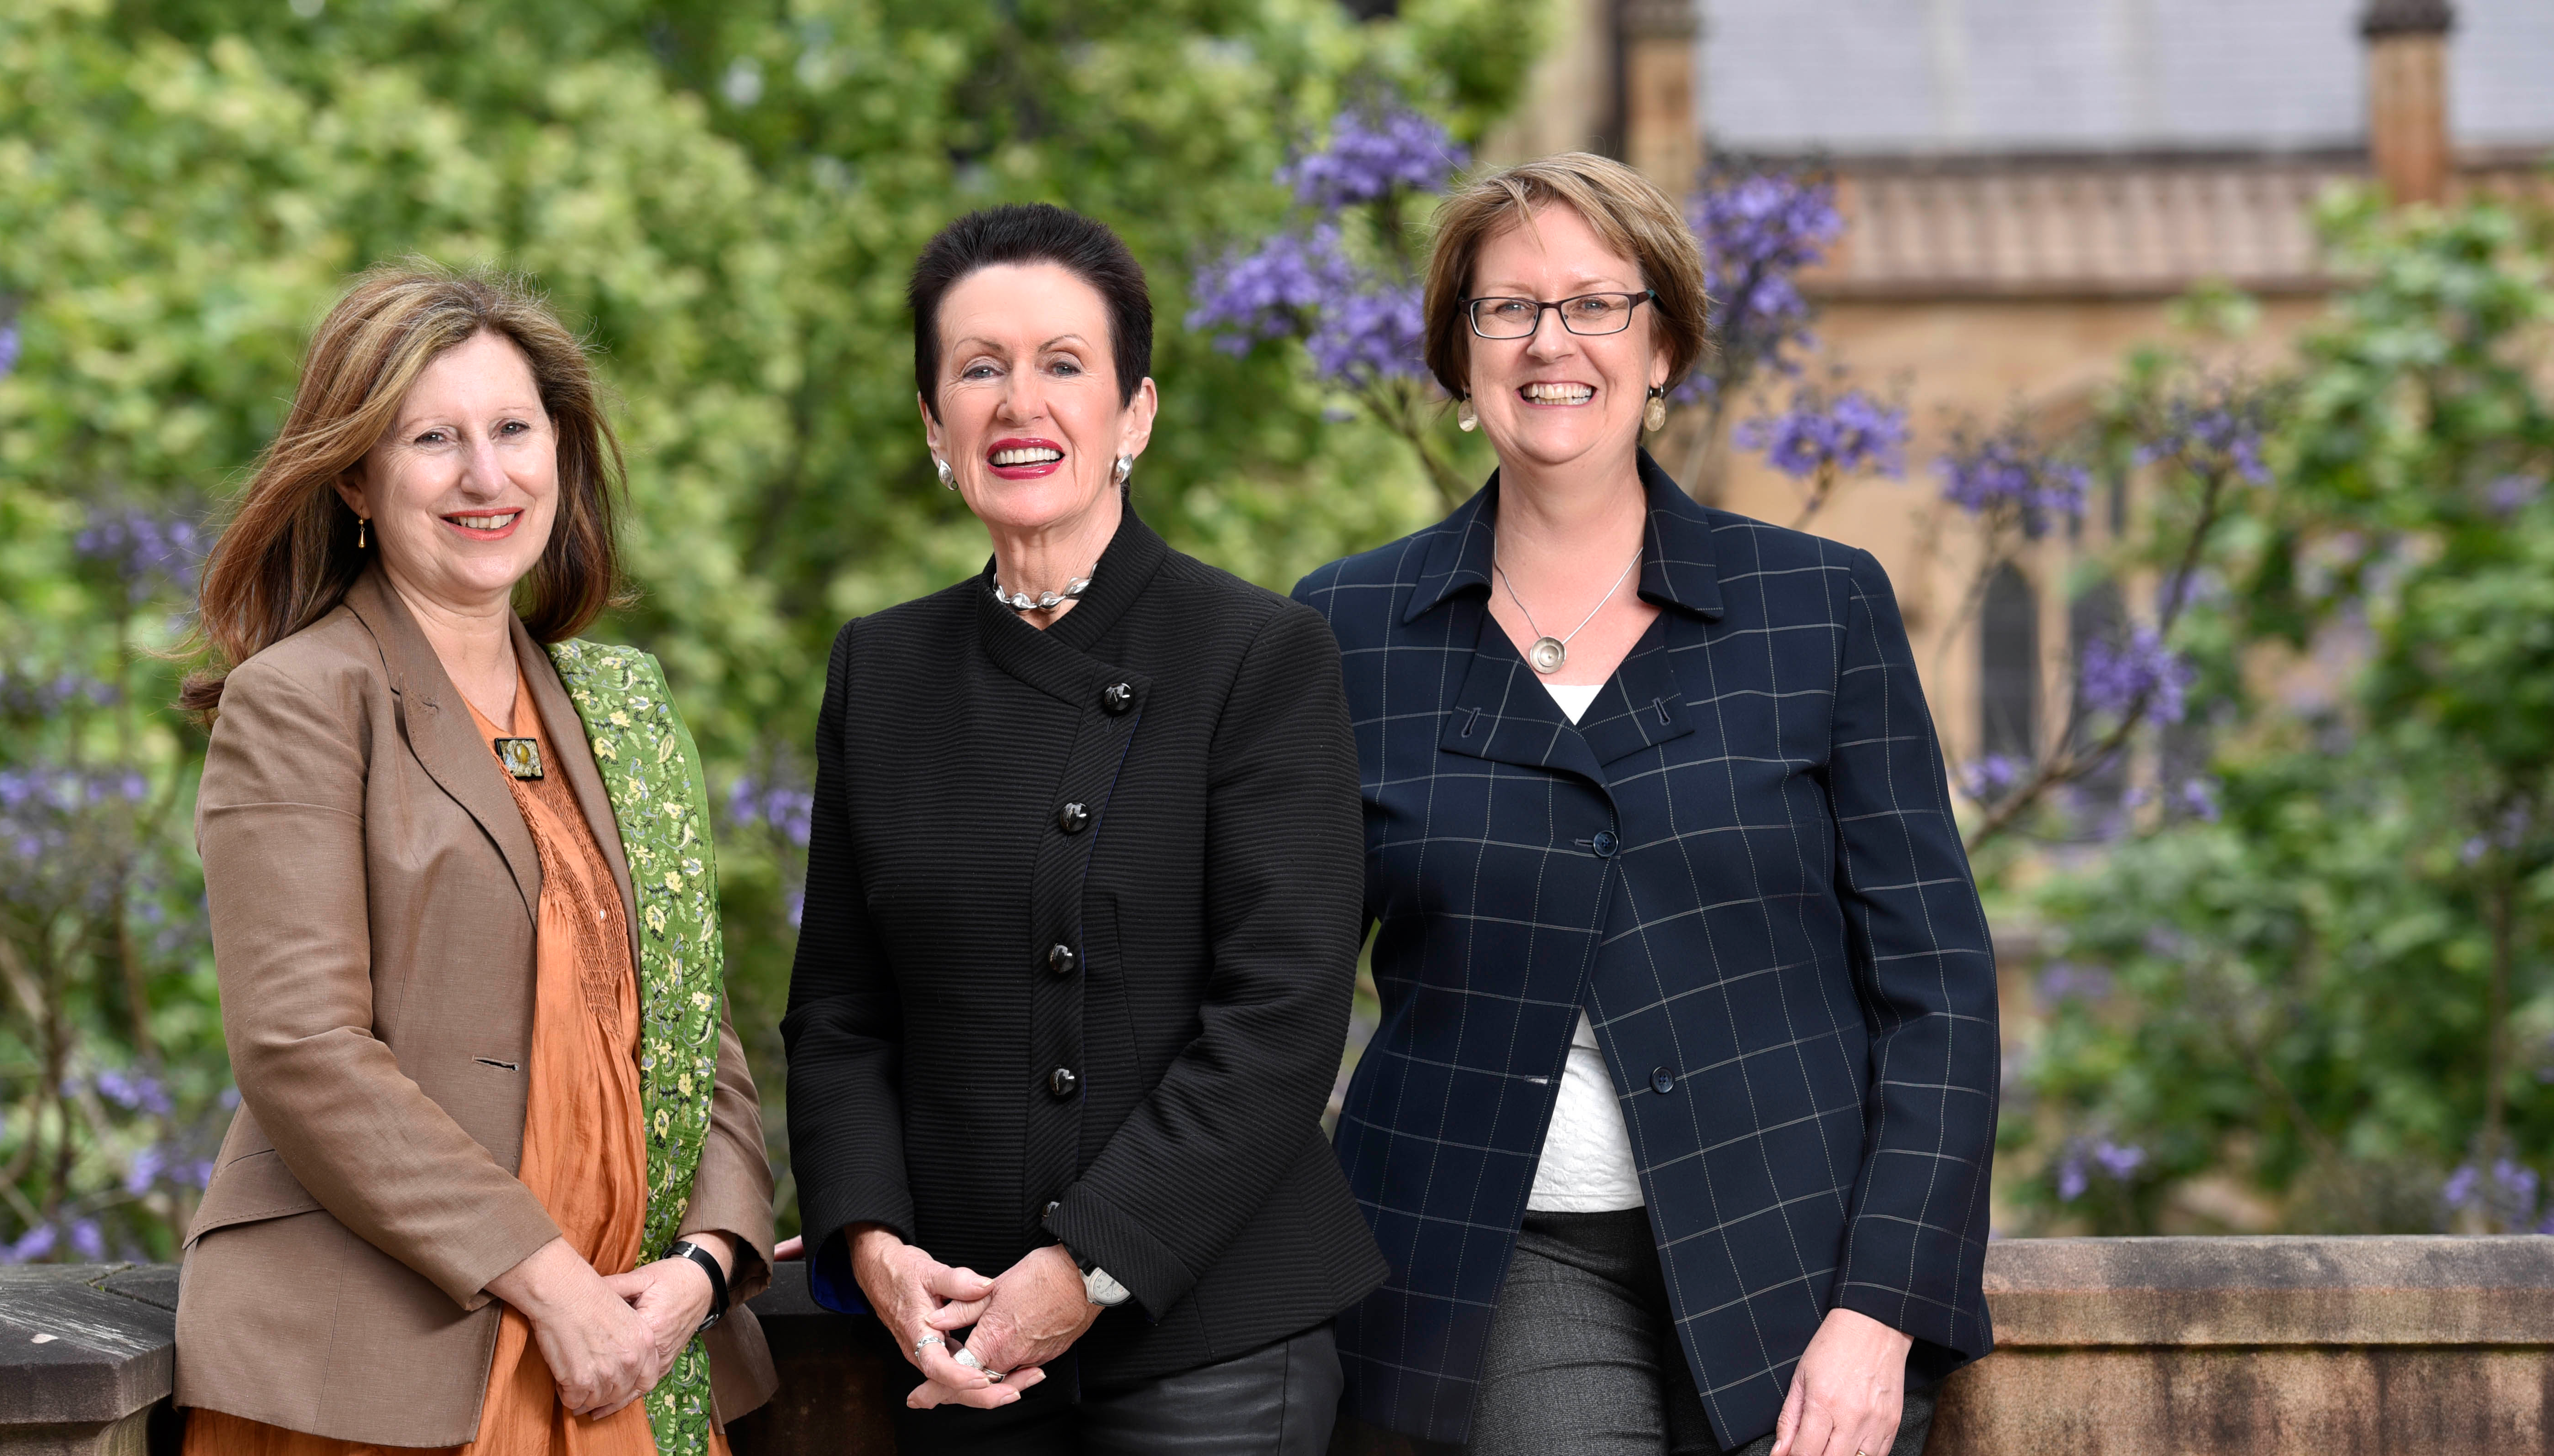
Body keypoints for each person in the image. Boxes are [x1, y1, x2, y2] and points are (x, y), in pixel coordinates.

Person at [1295, 153, 2000, 1456]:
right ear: (1459, 356)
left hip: (1798, 1254)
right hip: (1496, 1260)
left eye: (1595, 304)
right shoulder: (1346, 629)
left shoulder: (1818, 607)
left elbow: (1938, 987)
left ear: (1663, 342)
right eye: (1506, 308)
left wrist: (1883, 1307)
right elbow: (1264, 987)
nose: (1549, 341)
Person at [781, 202, 1387, 1455]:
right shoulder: (879, 669)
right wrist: (871, 1242)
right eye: (979, 368)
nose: (1021, 403)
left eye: (1064, 364)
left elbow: (1279, 1017)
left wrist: (1085, 1267)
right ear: (933, 422)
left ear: (1137, 415)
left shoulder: (1258, 655)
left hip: (1210, 1338)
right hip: (958, 1336)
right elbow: (839, 1010)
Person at [174, 264, 778, 1456]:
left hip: (633, 1357)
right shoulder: (301, 701)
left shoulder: (616, 707)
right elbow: (301, 1047)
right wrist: (552, 1285)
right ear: (354, 474)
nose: (486, 476)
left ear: (560, 451)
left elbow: (692, 1018)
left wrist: (708, 1263)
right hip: (396, 1373)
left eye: (513, 429)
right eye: (432, 439)